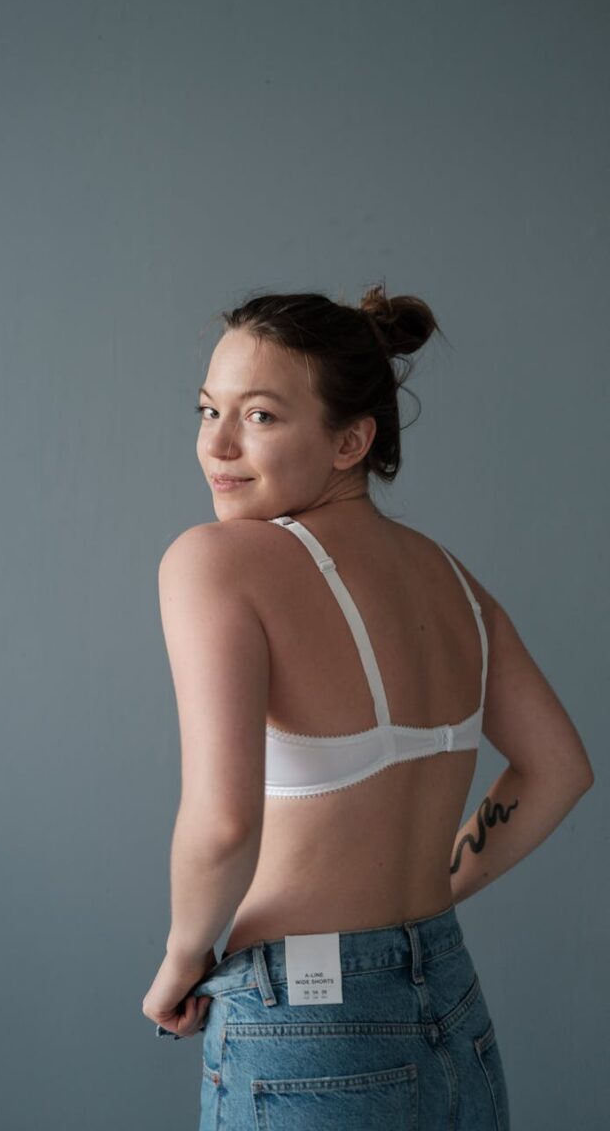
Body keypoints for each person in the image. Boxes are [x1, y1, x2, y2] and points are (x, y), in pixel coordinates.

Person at [141, 284, 594, 1130]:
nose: (219, 445)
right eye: (208, 409)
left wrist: (178, 963)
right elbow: (561, 769)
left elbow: (224, 826)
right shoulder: (453, 581)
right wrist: (428, 894)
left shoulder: (215, 563)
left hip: (310, 1032)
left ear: (351, 440)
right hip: (451, 1010)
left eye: (262, 416)